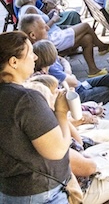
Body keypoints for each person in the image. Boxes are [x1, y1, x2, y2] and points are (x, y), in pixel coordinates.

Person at [0, 31, 72, 204]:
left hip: (10, 190)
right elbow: (57, 150)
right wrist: (61, 113)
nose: (35, 56)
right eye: (30, 52)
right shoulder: (26, 99)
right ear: (13, 62)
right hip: (39, 193)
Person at [17, 0, 109, 78]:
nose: (47, 28)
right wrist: (54, 19)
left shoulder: (29, 12)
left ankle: (93, 70)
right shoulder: (42, 54)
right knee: (85, 26)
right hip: (55, 39)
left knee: (87, 38)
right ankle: (101, 47)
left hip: (55, 38)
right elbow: (66, 80)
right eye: (44, 27)